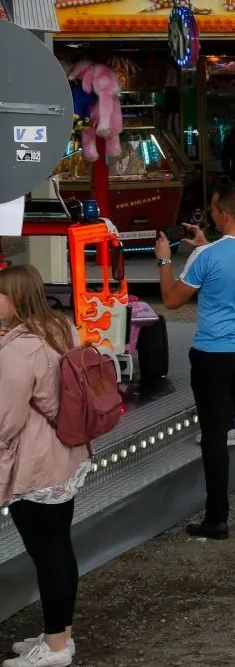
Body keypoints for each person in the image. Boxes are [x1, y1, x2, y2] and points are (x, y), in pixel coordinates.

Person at [156, 184, 235, 536]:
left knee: (215, 436)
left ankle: (217, 517)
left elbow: (171, 300)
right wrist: (205, 244)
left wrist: (164, 258)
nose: (209, 213)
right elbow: (232, 265)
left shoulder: (205, 257)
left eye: (212, 209)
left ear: (223, 213)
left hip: (213, 354)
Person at [0, 265, 89, 667]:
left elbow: (6, 420)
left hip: (36, 464)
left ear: (16, 298)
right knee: (59, 548)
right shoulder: (60, 327)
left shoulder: (19, 349)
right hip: (67, 455)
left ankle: (55, 649)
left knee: (47, 555)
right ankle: (59, 635)